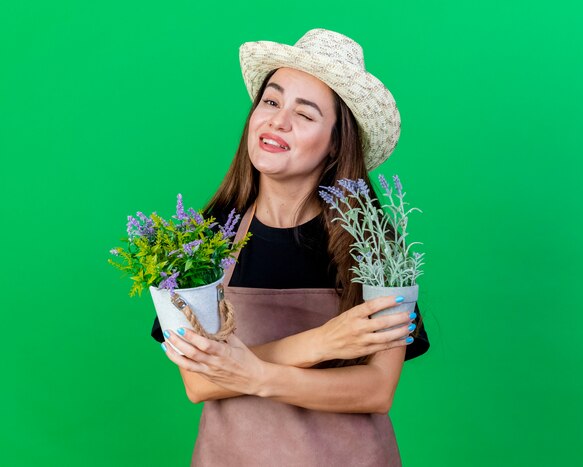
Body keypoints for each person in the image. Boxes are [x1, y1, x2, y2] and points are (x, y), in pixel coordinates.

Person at [152, 28, 430, 466]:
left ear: (337, 142)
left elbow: (377, 390)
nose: (278, 121)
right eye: (271, 101)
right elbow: (199, 382)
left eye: (306, 113)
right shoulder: (200, 242)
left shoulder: (375, 248)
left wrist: (255, 373)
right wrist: (322, 342)